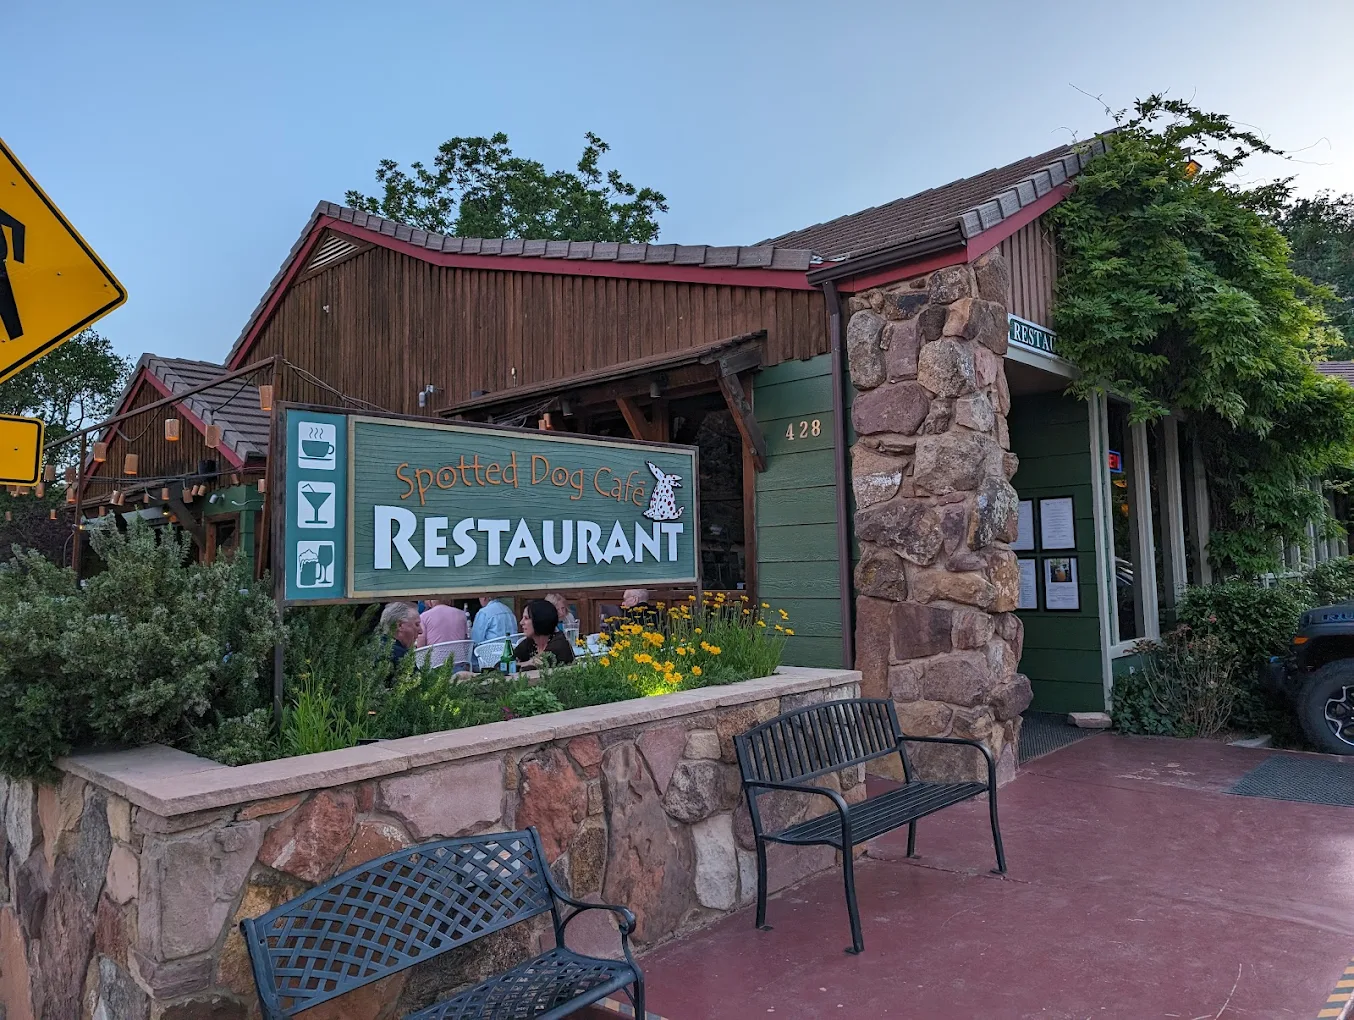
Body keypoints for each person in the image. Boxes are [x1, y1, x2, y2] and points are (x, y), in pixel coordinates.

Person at [514, 599, 576, 667]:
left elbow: (537, 668)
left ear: (539, 620)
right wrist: (527, 663)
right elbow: (503, 664)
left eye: (526, 618)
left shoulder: (559, 644)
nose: (521, 622)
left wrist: (518, 665)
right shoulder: (530, 643)